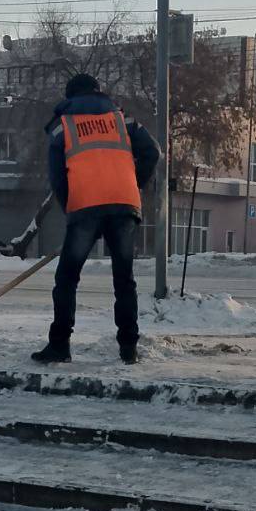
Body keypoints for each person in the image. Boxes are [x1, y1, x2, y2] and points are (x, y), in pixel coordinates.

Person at [32, 74, 160, 365]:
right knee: (124, 280)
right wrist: (135, 182)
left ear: (70, 97)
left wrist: (72, 207)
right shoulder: (123, 121)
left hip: (86, 205)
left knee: (67, 278)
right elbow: (153, 151)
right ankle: (128, 348)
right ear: (98, 92)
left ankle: (60, 345)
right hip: (124, 204)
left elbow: (57, 176)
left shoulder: (62, 126)